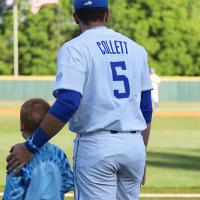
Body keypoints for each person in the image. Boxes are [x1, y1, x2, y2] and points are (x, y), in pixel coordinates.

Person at [6, 0, 153, 199]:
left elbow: (68, 102)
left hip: (97, 146)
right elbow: (145, 109)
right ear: (107, 14)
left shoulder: (75, 48)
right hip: (134, 145)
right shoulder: (137, 49)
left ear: (76, 17)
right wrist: (140, 152)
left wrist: (31, 146)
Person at [3, 98, 74, 200]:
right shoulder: (59, 153)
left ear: (22, 126)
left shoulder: (18, 158)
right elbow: (68, 182)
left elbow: (12, 195)